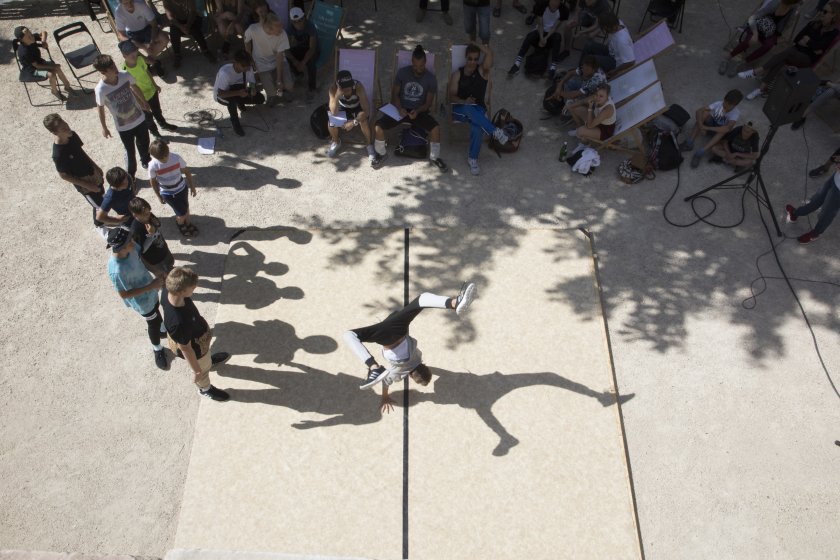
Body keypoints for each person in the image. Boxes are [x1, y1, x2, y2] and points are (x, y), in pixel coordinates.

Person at [343, 282, 476, 413]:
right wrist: (385, 397)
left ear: (424, 366)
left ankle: (455, 303)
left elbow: (427, 368)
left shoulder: (418, 355)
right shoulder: (398, 373)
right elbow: (385, 383)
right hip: (385, 337)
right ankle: (374, 367)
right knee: (349, 335)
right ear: (410, 376)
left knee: (422, 299)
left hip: (398, 328)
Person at [738, 2, 840, 99]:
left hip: (807, 58)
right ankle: (760, 89)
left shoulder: (833, 33)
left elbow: (820, 47)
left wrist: (808, 42)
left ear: (833, 15)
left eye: (825, 11)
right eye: (822, 10)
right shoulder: (813, 23)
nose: (822, 12)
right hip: (797, 51)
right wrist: (812, 46)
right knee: (782, 59)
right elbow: (797, 39)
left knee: (787, 53)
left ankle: (757, 71)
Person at [373, 45, 448, 172]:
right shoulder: (402, 72)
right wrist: (400, 108)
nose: (418, 69)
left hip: (419, 110)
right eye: (415, 66)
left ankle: (435, 158)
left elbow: (428, 103)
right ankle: (381, 153)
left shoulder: (431, 78)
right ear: (411, 62)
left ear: (425, 63)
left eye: (421, 66)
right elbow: (395, 95)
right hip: (401, 109)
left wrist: (417, 111)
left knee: (436, 129)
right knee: (378, 127)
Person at [162, 266, 232, 401]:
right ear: (181, 291)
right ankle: (205, 389)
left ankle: (209, 362)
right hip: (195, 348)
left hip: (195, 336)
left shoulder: (168, 290)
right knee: (202, 368)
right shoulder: (178, 322)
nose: (195, 289)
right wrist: (197, 371)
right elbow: (186, 349)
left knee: (206, 360)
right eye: (192, 288)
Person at [106, 227, 169, 370]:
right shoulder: (117, 270)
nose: (133, 242)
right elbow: (124, 294)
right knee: (152, 322)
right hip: (142, 303)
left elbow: (142, 261)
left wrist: (156, 271)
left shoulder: (131, 249)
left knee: (157, 310)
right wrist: (151, 286)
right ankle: (157, 348)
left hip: (151, 293)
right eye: (129, 241)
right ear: (121, 248)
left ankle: (163, 329)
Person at [448, 43, 509, 175]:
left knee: (477, 126)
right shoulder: (458, 74)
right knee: (468, 108)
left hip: (479, 109)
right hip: (460, 108)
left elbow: (489, 55)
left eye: (476, 59)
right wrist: (464, 101)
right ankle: (494, 131)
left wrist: (476, 44)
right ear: (466, 57)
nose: (472, 62)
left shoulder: (482, 71)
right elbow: (451, 97)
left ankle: (473, 159)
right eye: (470, 58)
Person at [44, 114, 107, 235]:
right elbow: (63, 175)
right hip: (84, 183)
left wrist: (96, 166)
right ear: (54, 132)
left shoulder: (72, 135)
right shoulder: (58, 154)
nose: (67, 129)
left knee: (102, 196)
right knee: (98, 205)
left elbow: (81, 151)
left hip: (92, 172)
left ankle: (102, 219)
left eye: (66, 125)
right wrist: (87, 185)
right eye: (63, 129)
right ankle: (99, 225)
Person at [94, 54, 151, 182]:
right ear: (103, 72)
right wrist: (104, 127)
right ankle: (131, 176)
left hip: (139, 118)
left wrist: (144, 102)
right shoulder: (101, 90)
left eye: (114, 65)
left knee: (144, 141)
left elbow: (134, 87)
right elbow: (100, 108)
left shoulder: (124, 75)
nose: (115, 69)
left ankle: (146, 160)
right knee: (130, 152)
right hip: (124, 127)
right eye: (111, 68)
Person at [718, 0, 801, 77]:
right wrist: (755, 33)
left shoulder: (793, 9)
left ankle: (743, 63)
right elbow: (753, 18)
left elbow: (787, 26)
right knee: (750, 41)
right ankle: (728, 57)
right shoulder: (775, 3)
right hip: (758, 25)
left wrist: (779, 36)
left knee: (768, 45)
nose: (785, 6)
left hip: (772, 31)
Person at [119, 41, 178, 141]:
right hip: (141, 97)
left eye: (135, 52)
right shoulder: (124, 71)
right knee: (148, 117)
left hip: (151, 91)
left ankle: (163, 124)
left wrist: (155, 85)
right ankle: (155, 132)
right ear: (124, 56)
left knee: (157, 110)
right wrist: (141, 102)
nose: (134, 55)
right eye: (130, 54)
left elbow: (147, 72)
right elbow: (131, 88)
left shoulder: (141, 59)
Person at [679, 89, 744, 169]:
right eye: (725, 102)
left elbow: (727, 128)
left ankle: (700, 152)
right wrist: (700, 125)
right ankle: (689, 143)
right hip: (711, 125)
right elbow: (699, 111)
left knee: (724, 130)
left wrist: (706, 127)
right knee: (705, 113)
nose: (725, 105)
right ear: (724, 99)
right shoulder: (719, 103)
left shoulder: (735, 113)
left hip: (718, 132)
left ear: (735, 105)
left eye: (729, 105)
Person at [784, 152, 840, 244]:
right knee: (816, 199)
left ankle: (815, 233)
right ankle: (795, 213)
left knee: (826, 213)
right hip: (835, 178)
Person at [147, 140, 199, 237]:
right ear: (154, 157)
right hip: (168, 193)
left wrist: (192, 186)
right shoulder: (153, 166)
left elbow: (187, 172)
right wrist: (158, 196)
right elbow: (153, 182)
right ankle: (180, 224)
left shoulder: (176, 158)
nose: (164, 159)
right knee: (181, 213)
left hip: (182, 188)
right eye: (160, 158)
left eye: (165, 156)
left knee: (186, 207)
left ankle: (188, 223)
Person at [507, 0, 570, 79]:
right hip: (540, 32)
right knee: (530, 36)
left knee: (558, 38)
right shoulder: (541, 5)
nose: (555, 3)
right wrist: (541, 38)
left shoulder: (563, 10)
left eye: (557, 1)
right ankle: (517, 63)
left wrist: (546, 38)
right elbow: (540, 24)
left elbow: (555, 27)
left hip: (550, 35)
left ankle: (553, 67)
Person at [14, 26, 74, 101]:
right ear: (22, 39)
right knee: (51, 74)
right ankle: (54, 91)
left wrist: (43, 41)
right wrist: (52, 67)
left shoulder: (32, 39)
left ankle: (67, 86)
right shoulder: (24, 52)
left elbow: (44, 32)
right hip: (32, 70)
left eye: (30, 32)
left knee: (57, 68)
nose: (31, 35)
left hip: (39, 62)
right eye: (28, 35)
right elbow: (36, 66)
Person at [244, 12, 292, 107]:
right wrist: (249, 57)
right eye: (278, 26)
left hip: (278, 61)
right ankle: (272, 95)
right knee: (272, 92)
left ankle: (285, 87)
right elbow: (246, 41)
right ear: (269, 28)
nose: (281, 28)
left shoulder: (282, 34)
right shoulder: (253, 29)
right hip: (262, 64)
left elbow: (279, 57)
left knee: (289, 86)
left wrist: (279, 80)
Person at [326, 70, 376, 161]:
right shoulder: (333, 89)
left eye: (349, 86)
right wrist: (337, 96)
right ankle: (336, 142)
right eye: (344, 88)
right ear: (338, 86)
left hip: (357, 106)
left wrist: (353, 122)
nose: (348, 89)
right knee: (331, 121)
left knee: (363, 121)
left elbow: (366, 110)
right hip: (342, 106)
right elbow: (333, 112)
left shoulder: (358, 87)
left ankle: (369, 144)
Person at [214, 50, 266, 136]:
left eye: (248, 66)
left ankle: (240, 102)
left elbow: (251, 82)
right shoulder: (225, 73)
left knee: (260, 99)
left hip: (239, 89)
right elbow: (220, 94)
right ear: (236, 63)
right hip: (224, 95)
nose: (247, 69)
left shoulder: (248, 67)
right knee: (232, 102)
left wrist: (252, 89)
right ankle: (235, 123)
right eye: (244, 66)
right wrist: (238, 93)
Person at [113, 0, 169, 76]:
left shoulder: (140, 4)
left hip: (146, 28)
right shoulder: (119, 12)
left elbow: (154, 23)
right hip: (131, 33)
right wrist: (142, 46)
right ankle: (153, 62)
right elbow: (121, 35)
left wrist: (152, 41)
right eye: (126, 3)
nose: (130, 5)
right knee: (128, 49)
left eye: (130, 1)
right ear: (120, 3)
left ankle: (147, 61)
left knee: (164, 38)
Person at [129, 197, 175, 278]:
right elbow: (141, 250)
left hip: (163, 250)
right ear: (135, 214)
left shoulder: (149, 215)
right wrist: (151, 235)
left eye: (149, 212)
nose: (148, 215)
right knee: (161, 274)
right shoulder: (136, 230)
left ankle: (170, 271)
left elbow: (158, 223)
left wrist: (156, 223)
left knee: (170, 264)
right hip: (155, 260)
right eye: (145, 214)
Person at [577, 12, 635, 77]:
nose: (603, 30)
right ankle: (580, 70)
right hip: (612, 51)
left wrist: (615, 71)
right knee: (589, 46)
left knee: (592, 59)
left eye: (604, 28)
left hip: (615, 62)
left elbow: (631, 62)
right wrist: (583, 32)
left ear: (607, 27)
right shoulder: (616, 23)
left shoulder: (621, 41)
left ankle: (584, 75)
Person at [162, 0, 216, 67]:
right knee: (173, 32)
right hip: (178, 21)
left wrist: (188, 25)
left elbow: (193, 12)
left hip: (192, 18)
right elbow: (170, 17)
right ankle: (177, 54)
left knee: (195, 30)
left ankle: (205, 50)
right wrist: (181, 27)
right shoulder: (166, 1)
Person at [285, 7, 319, 100]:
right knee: (286, 57)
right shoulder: (289, 28)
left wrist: (303, 62)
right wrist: (295, 62)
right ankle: (298, 74)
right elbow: (285, 49)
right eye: (295, 21)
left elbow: (312, 48)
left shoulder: (310, 26)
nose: (299, 23)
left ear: (304, 18)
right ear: (292, 22)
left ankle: (312, 88)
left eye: (300, 20)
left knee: (311, 63)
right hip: (300, 48)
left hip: (312, 49)